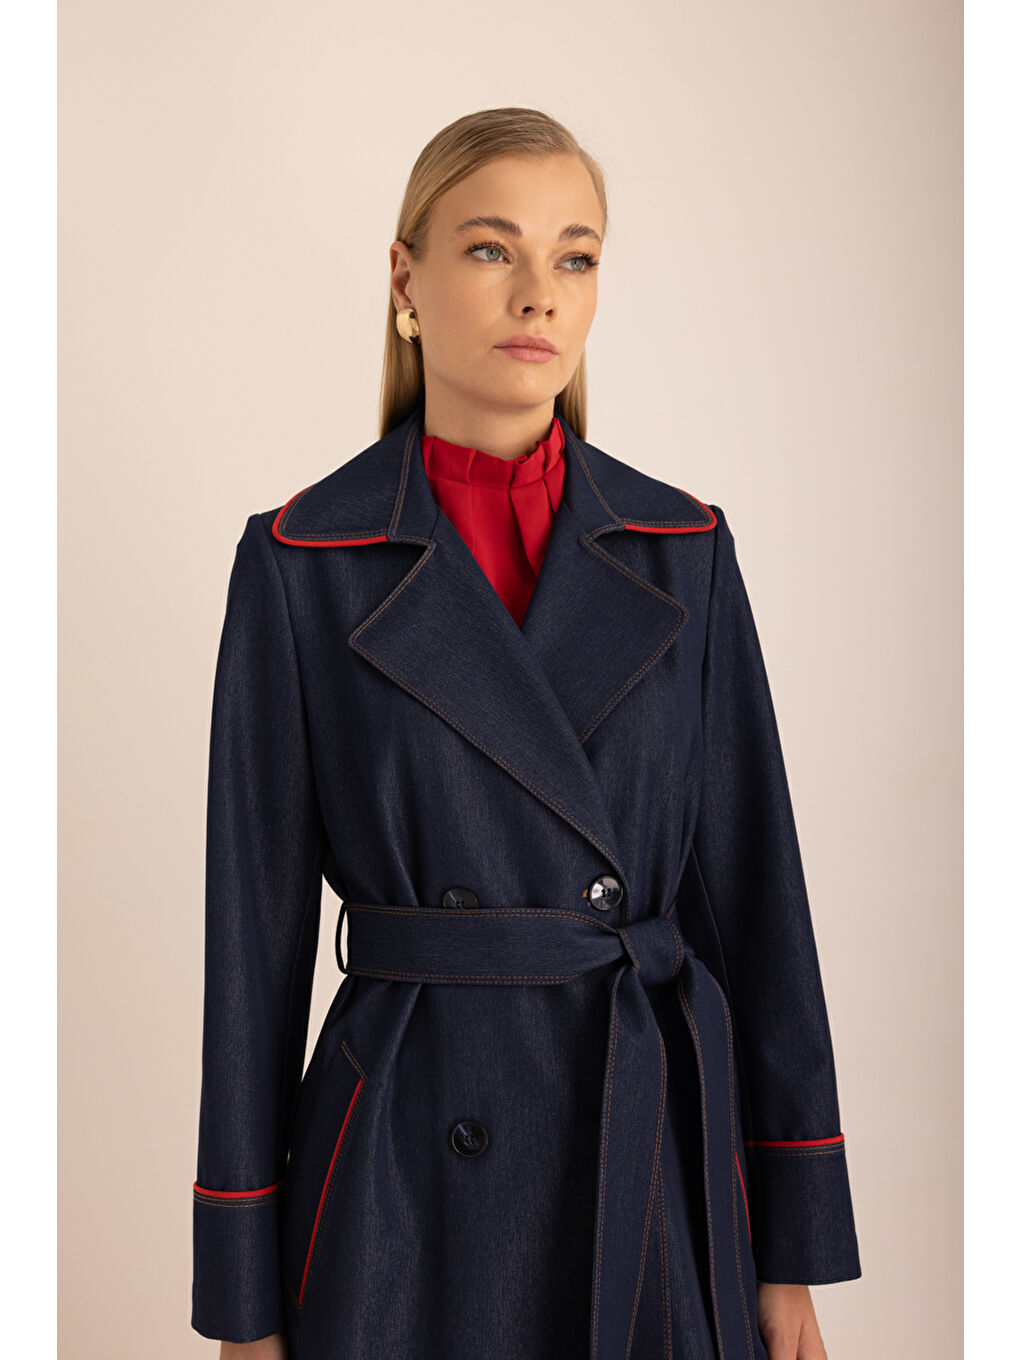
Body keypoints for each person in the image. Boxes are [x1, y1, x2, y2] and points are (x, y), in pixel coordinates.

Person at [191, 107, 861, 1360]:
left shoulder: (683, 552)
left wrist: (791, 1259)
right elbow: (252, 955)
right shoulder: (301, 562)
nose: (539, 293)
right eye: (493, 248)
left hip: (644, 1156)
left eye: (576, 255)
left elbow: (758, 909)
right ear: (406, 279)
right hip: (401, 1185)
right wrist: (242, 1306)